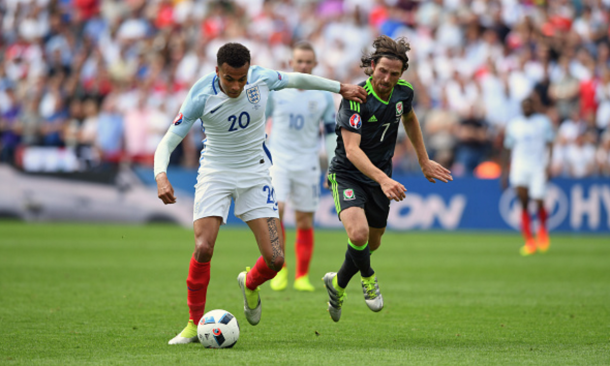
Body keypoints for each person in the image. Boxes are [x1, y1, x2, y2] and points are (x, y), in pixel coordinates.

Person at [154, 42, 366, 344]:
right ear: (217, 71)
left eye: (242, 79)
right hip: (215, 173)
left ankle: (250, 283)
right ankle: (192, 324)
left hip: (255, 173)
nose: (237, 86)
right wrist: (161, 175)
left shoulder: (261, 79)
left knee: (276, 259)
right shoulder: (200, 94)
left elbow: (297, 79)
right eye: (229, 79)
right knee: (204, 247)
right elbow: (167, 141)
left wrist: (339, 88)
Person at [322, 36, 453, 322]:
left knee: (374, 243)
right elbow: (353, 151)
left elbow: (410, 119)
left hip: (380, 175)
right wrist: (383, 179)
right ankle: (368, 276)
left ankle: (337, 283)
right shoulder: (356, 97)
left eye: (394, 74)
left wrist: (424, 160)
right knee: (358, 235)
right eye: (382, 71)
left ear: (401, 74)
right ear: (371, 66)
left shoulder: (404, 91)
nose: (387, 79)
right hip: (348, 174)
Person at [266, 42, 337, 292]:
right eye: (300, 61)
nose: (304, 66)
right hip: (279, 161)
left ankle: (302, 276)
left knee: (305, 220)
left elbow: (330, 133)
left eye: (308, 62)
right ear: (291, 64)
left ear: (315, 64)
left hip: (308, 163)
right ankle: (280, 269)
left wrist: (332, 165)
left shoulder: (322, 95)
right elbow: (261, 123)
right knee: (277, 212)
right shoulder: (276, 91)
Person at [501, 97, 554, 256]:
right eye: (524, 106)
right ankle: (529, 241)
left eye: (529, 105)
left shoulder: (543, 122)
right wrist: (504, 172)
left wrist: (548, 165)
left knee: (538, 201)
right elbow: (507, 148)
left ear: (534, 106)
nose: (527, 108)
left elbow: (550, 143)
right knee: (523, 202)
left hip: (538, 166)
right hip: (519, 167)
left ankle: (542, 230)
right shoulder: (514, 124)